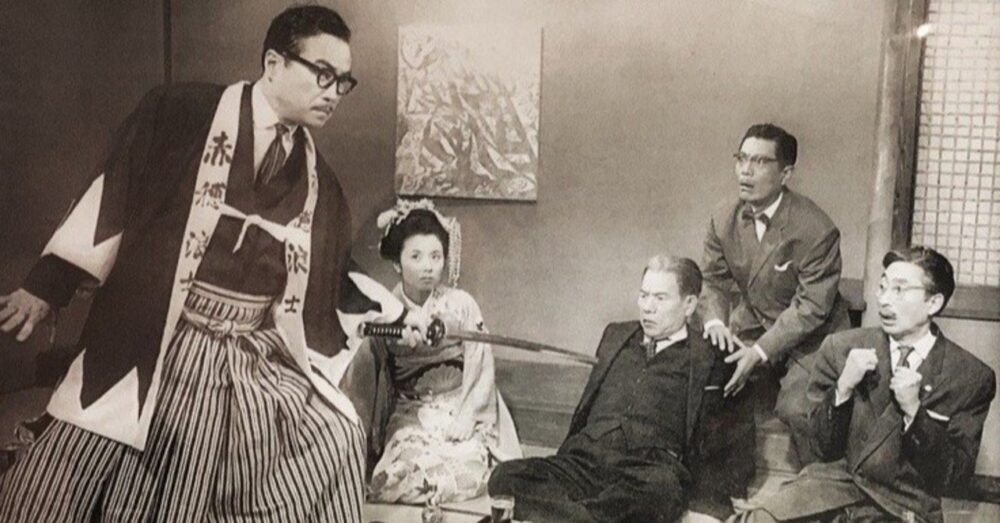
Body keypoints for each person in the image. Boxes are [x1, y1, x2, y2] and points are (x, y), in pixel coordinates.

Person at [0, 6, 427, 521]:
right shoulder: (180, 115)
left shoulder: (320, 181)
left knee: (337, 434)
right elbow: (111, 198)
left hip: (251, 356)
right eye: (323, 73)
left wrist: (398, 320)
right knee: (72, 474)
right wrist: (47, 286)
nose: (334, 92)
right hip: (162, 339)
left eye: (343, 81)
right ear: (273, 63)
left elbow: (333, 276)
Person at [734, 246, 996, 523]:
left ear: (933, 303)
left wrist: (914, 413)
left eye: (899, 290)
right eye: (883, 287)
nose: (884, 300)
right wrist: (843, 389)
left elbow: (954, 478)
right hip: (829, 491)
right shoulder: (842, 348)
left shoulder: (969, 376)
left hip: (900, 506)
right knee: (756, 520)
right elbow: (818, 449)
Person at [488, 255, 754, 523]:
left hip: (648, 471)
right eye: (643, 295)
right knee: (504, 478)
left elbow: (732, 426)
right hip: (585, 459)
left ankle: (570, 516)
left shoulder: (709, 353)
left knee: (661, 494)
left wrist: (724, 498)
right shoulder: (615, 335)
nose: (647, 307)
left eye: (660, 298)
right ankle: (588, 518)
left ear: (689, 305)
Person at [700, 123, 850, 465]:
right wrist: (715, 322)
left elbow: (811, 307)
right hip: (753, 323)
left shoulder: (816, 229)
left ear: (785, 173)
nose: (746, 171)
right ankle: (727, 479)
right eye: (741, 158)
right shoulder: (723, 217)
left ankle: (816, 484)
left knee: (798, 409)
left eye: (760, 162)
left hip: (813, 337)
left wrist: (760, 351)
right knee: (704, 375)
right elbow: (713, 280)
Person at [365, 199, 521, 504]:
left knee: (472, 467)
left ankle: (429, 485)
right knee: (401, 466)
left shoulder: (462, 304)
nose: (428, 266)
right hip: (411, 411)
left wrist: (468, 415)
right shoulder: (385, 312)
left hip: (459, 405)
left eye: (436, 256)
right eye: (416, 256)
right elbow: (376, 373)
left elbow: (481, 364)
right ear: (397, 263)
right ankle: (417, 481)